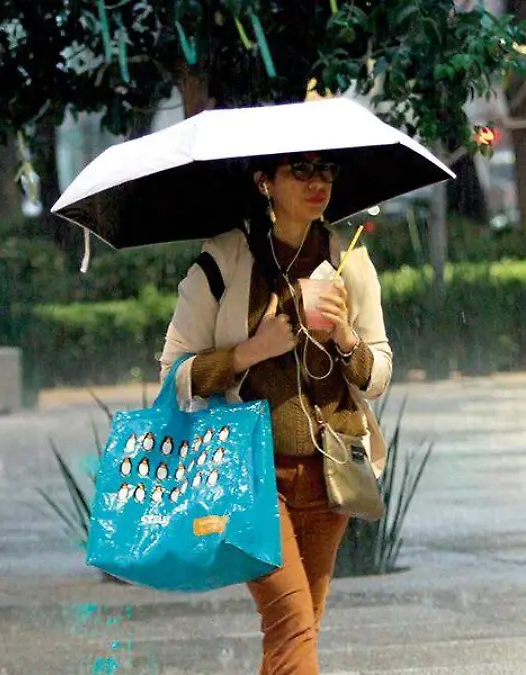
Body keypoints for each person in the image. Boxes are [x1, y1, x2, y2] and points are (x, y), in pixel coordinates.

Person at [158, 151, 392, 674]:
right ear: (265, 181)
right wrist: (250, 351)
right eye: (301, 171)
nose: (318, 183)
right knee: (291, 627)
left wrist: (346, 337)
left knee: (298, 630)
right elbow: (174, 377)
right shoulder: (223, 260)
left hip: (331, 474)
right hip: (251, 476)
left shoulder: (348, 259)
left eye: (327, 171)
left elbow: (377, 376)